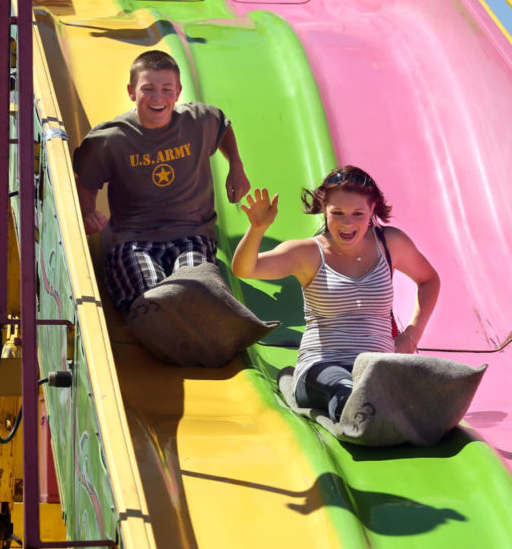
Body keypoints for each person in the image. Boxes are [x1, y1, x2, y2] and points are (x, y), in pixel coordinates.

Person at [232, 166, 440, 421]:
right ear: (324, 208)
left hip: (377, 366)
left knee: (386, 381)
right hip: (322, 367)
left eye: (358, 213)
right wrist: (257, 228)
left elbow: (429, 280)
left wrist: (412, 334)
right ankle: (363, 411)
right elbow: (245, 269)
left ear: (372, 211)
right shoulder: (308, 253)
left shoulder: (391, 243)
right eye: (338, 212)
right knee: (340, 386)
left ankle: (383, 405)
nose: (347, 222)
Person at [72, 49, 250, 310]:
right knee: (152, 293)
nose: (158, 97)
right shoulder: (110, 139)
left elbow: (221, 124)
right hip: (134, 239)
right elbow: (85, 183)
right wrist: (88, 212)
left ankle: (197, 325)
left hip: (191, 232)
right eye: (148, 89)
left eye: (167, 89)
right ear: (131, 91)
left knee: (193, 286)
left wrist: (236, 165)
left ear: (178, 92)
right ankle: (160, 323)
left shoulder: (197, 121)